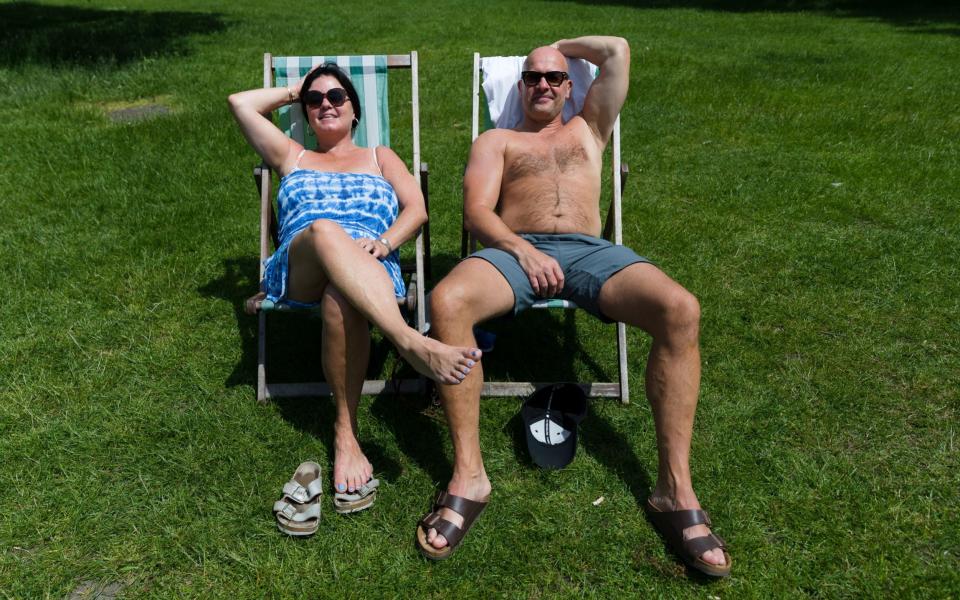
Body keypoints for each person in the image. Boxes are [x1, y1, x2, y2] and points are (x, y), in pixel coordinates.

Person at [416, 37, 731, 576]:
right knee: (446, 300)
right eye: (532, 76)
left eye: (555, 77)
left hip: (593, 254)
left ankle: (674, 490)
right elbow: (476, 213)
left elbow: (617, 50)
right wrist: (522, 249)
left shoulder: (591, 126)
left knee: (681, 308)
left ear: (569, 87)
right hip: (514, 251)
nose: (543, 84)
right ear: (519, 87)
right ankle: (469, 476)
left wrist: (557, 47)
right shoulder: (496, 140)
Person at [228, 63, 481, 498]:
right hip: (300, 264)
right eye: (315, 100)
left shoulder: (380, 155)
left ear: (354, 110)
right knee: (326, 229)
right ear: (305, 111)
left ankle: (346, 433)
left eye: (336, 97)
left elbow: (416, 210)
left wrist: (386, 242)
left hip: (370, 267)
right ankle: (409, 342)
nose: (325, 104)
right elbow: (240, 103)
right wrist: (298, 88)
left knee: (340, 300)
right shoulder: (293, 155)